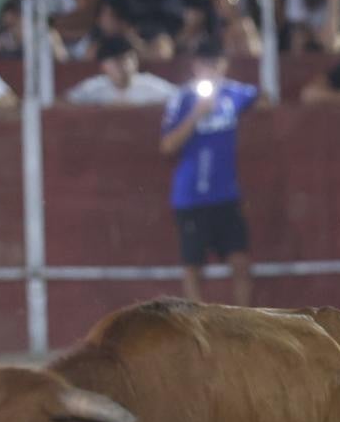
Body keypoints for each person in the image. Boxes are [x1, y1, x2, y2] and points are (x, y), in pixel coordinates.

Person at [159, 39, 259, 306]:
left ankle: (241, 323)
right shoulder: (182, 99)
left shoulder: (235, 93)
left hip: (225, 194)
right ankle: (198, 324)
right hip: (191, 196)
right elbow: (167, 146)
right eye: (205, 64)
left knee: (240, 262)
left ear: (224, 65)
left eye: (215, 64)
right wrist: (196, 115)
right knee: (193, 266)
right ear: (195, 66)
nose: (211, 69)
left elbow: (262, 97)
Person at [66, 37, 179, 106]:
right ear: (103, 66)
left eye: (125, 59)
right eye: (115, 61)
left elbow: (179, 98)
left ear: (135, 61)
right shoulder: (93, 87)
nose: (122, 66)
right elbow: (66, 103)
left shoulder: (150, 85)